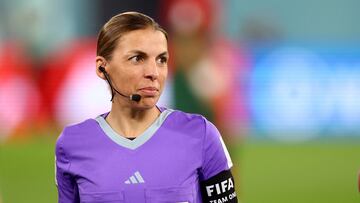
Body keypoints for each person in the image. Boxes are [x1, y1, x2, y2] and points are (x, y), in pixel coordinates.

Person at [55, 11, 238, 203]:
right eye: (137, 58)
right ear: (102, 68)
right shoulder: (72, 144)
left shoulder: (201, 134)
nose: (153, 72)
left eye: (161, 60)